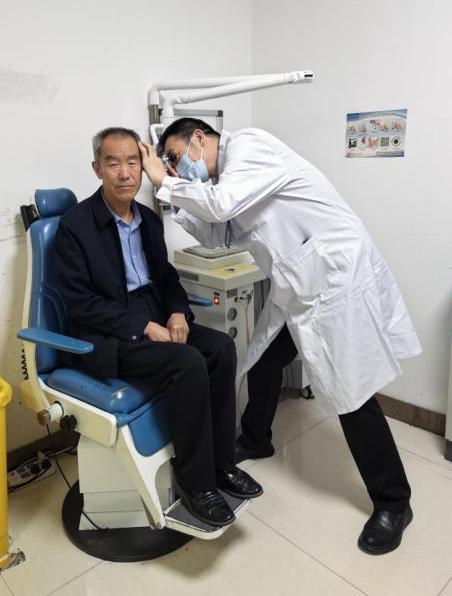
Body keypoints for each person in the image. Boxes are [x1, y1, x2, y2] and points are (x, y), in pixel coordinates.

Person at [139, 118, 422, 555]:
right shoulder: (229, 180)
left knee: (351, 393)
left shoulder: (249, 147)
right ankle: (257, 439)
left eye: (176, 156)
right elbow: (219, 232)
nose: (178, 166)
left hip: (333, 283)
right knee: (266, 360)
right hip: (299, 287)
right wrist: (175, 198)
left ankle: (394, 502)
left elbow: (221, 204)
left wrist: (164, 182)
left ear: (198, 138)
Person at [54, 126, 262, 528]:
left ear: (143, 165)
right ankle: (195, 480)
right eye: (113, 163)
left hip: (154, 314)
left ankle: (221, 464)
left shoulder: (148, 220)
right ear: (97, 169)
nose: (125, 173)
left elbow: (166, 277)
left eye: (133, 162)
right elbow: (80, 303)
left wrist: (178, 313)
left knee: (220, 348)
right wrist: (142, 326)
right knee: (187, 362)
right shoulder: (75, 226)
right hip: (109, 332)